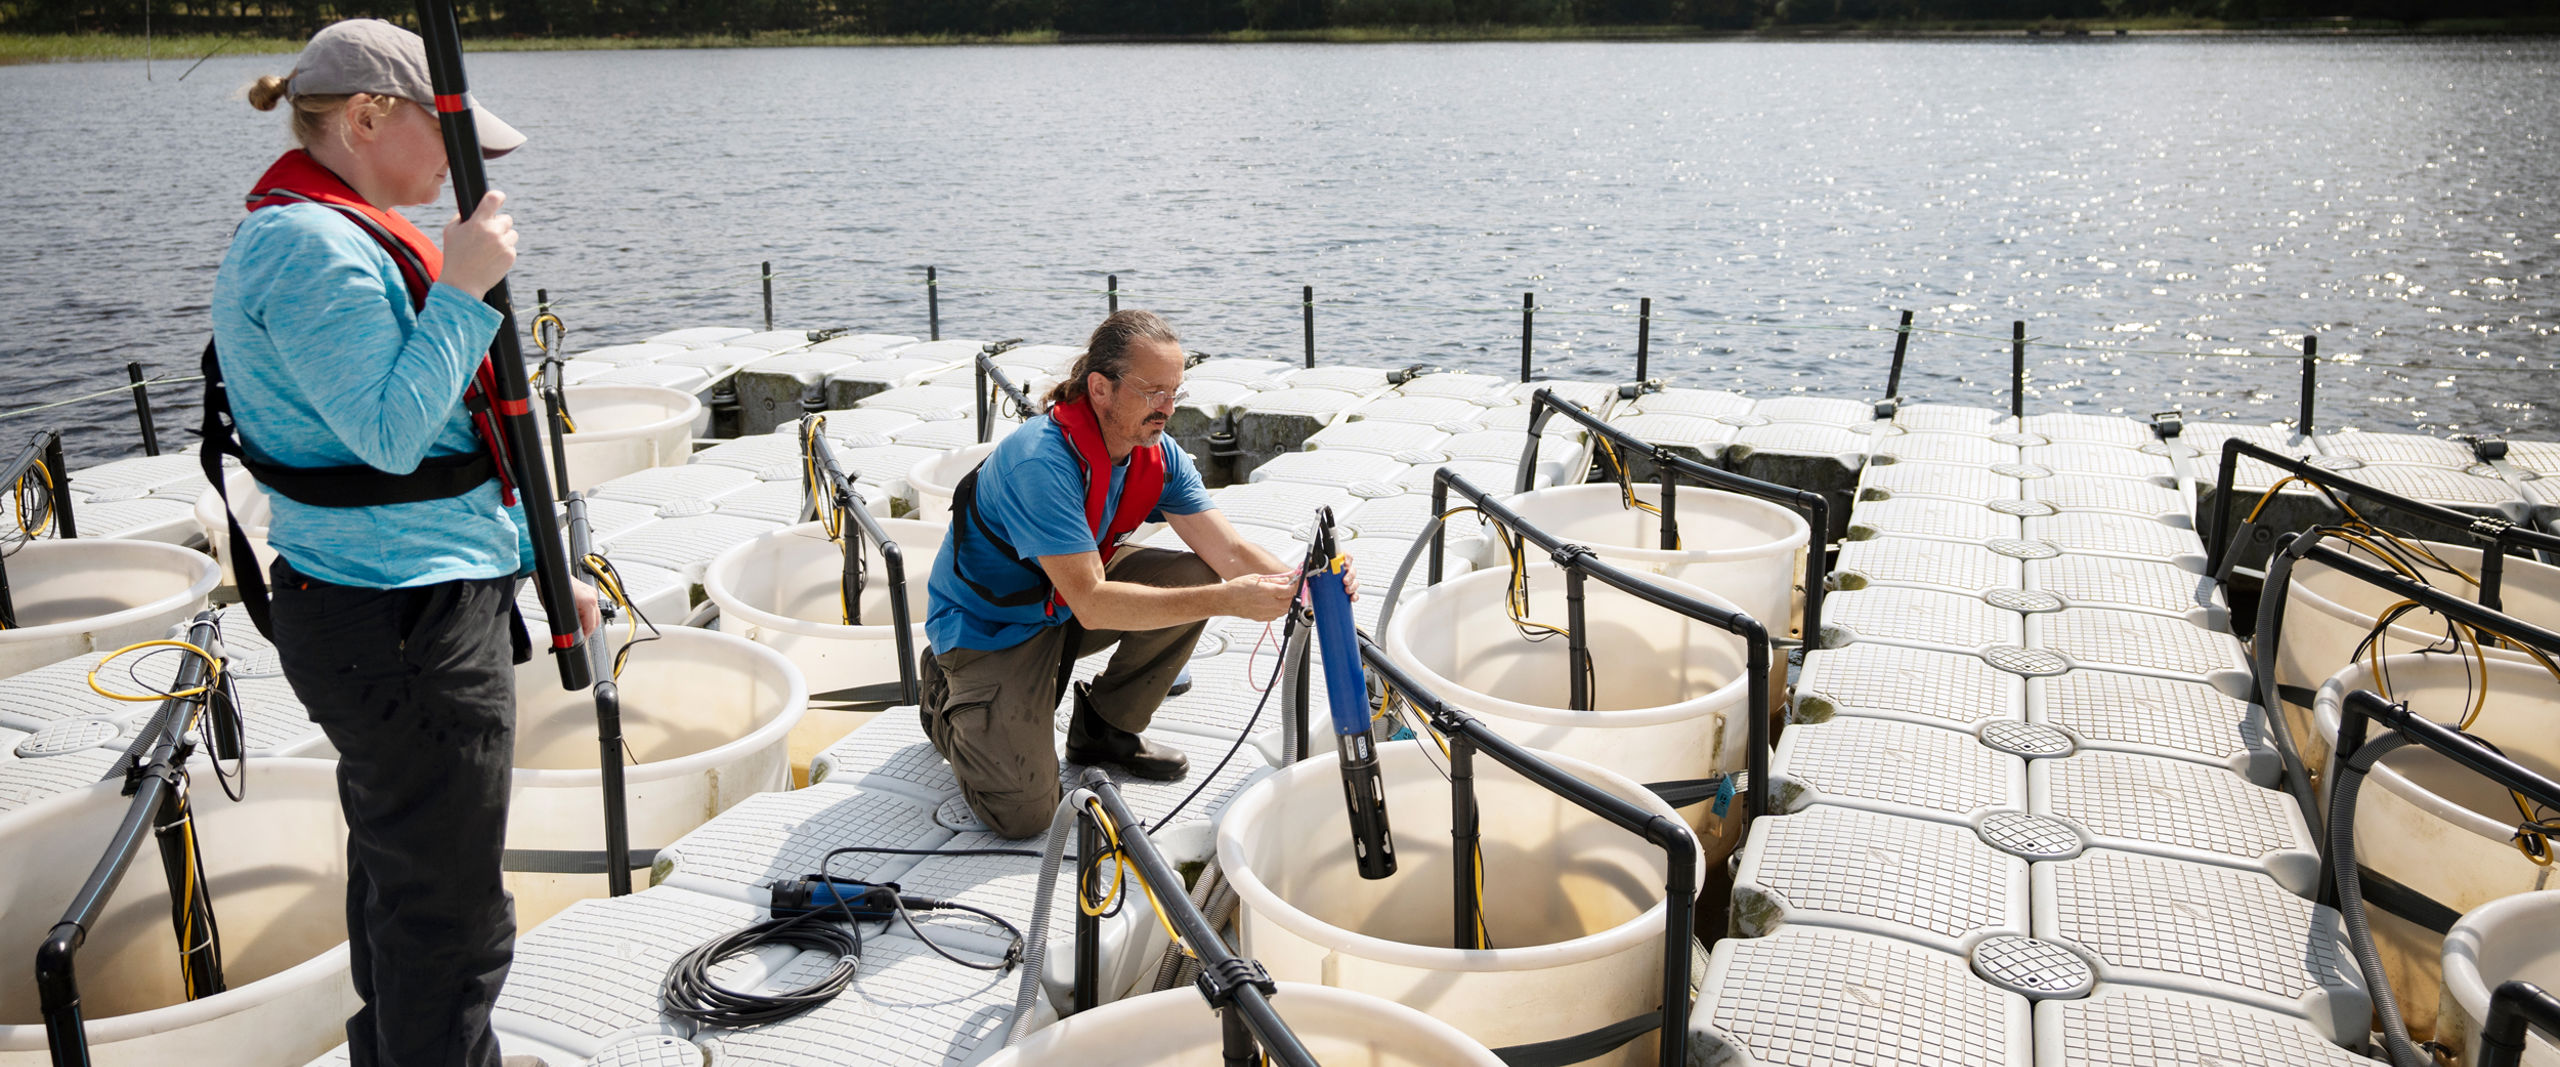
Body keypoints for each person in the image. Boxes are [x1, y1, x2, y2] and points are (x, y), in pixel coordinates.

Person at [209, 19, 594, 1067]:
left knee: (404, 876)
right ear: (370, 118)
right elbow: (388, 438)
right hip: (396, 623)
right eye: (452, 136)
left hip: (411, 599)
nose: (465, 165)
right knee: (452, 920)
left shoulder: (338, 229)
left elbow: (455, 448)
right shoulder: (305, 246)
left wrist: (543, 569)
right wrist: (462, 287)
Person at [921, 310, 1337, 838]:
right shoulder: (1041, 463)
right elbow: (1093, 600)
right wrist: (1228, 600)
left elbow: (1228, 550)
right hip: (990, 628)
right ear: (1100, 388)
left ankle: (1106, 730)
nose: (1166, 408)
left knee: (1194, 576)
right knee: (1023, 816)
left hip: (1064, 600)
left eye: (1175, 392)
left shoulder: (1157, 454)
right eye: (1152, 392)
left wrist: (1312, 587)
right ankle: (943, 696)